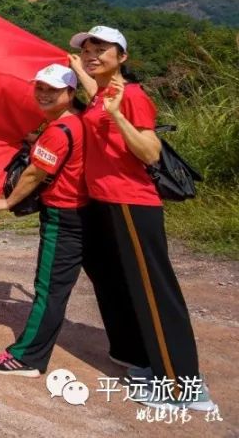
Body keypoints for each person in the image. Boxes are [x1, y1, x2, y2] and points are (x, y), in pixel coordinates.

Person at [72, 25, 216, 411]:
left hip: (131, 203)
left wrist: (119, 117)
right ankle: (150, 363)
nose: (91, 55)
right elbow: (94, 95)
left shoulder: (131, 96)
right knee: (126, 286)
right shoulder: (103, 94)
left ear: (122, 57)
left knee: (154, 291)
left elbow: (150, 152)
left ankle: (183, 386)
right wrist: (77, 70)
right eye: (86, 50)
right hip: (106, 202)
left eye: (100, 49)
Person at [0, 64, 87, 377]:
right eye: (40, 87)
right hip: (82, 213)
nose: (42, 94)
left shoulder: (58, 132)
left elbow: (36, 172)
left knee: (49, 289)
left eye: (52, 90)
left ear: (70, 93)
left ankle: (27, 358)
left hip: (64, 218)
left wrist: (7, 202)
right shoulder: (73, 124)